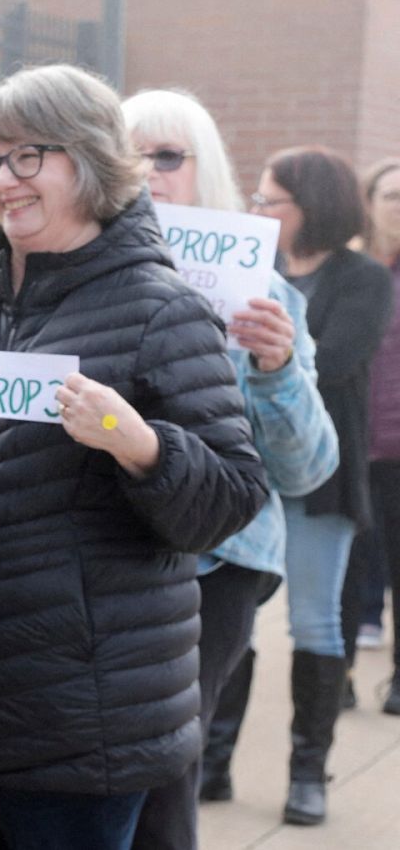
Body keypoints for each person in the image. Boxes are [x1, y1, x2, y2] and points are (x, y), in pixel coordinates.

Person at [0, 64, 269, 850]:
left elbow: (232, 498)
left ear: (93, 159)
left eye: (26, 157)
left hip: (72, 728)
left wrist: (141, 446)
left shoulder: (162, 311)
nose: (2, 181)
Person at [121, 89, 337, 849]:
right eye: (130, 154)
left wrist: (276, 367)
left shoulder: (264, 294)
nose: (148, 172)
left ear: (202, 168)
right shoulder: (76, 275)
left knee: (168, 755)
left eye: (168, 156)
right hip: (105, 541)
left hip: (218, 560)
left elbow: (307, 469)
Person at [225, 146, 392, 825]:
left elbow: (339, 361)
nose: (259, 211)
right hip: (247, 468)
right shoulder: (252, 271)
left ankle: (307, 773)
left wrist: (275, 359)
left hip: (323, 468)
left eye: (271, 201)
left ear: (311, 206)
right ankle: (211, 760)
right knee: (235, 614)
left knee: (316, 617)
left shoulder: (364, 279)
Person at [340, 157, 400, 714]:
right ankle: (341, 675)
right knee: (349, 565)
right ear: (370, 202)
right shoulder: (351, 271)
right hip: (353, 441)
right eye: (391, 195)